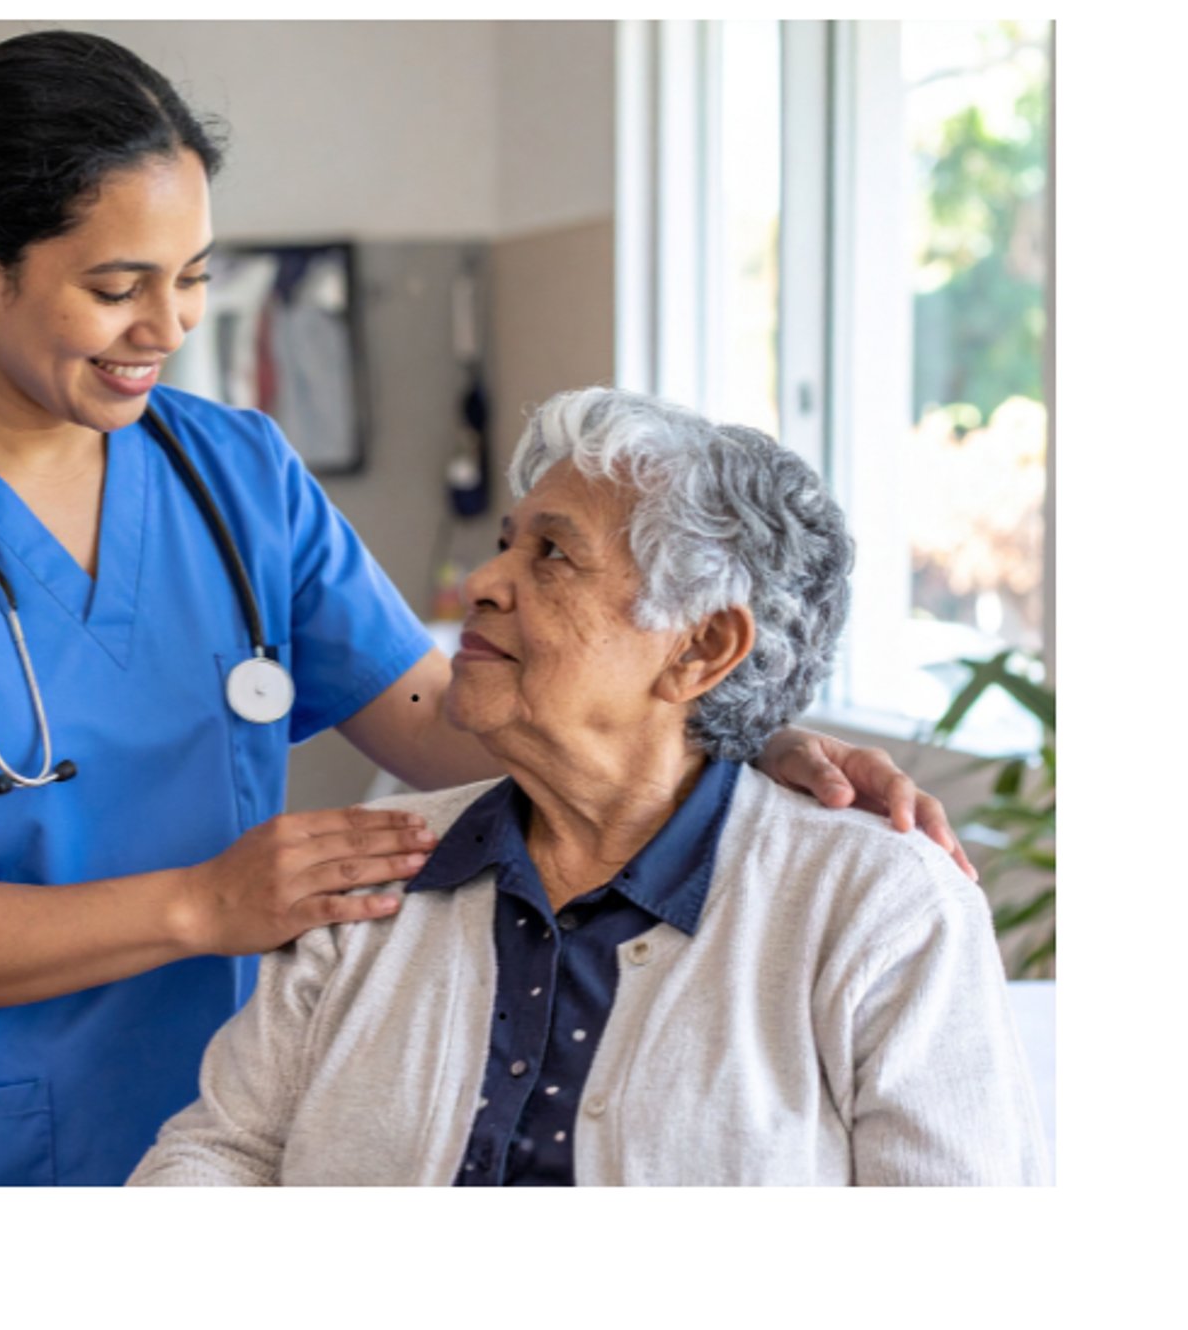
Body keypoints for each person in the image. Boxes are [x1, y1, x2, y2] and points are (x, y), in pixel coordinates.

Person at [0, 30, 967, 1187]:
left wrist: (717, 744)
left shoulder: (233, 475)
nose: (165, 326)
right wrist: (203, 905)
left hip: (207, 1113)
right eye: (118, 286)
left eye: (192, 277)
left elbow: (447, 719)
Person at [130, 387, 1048, 1186]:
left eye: (553, 556)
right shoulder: (377, 866)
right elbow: (224, 1155)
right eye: (504, 545)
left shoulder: (880, 907)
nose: (483, 583)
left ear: (700, 648)